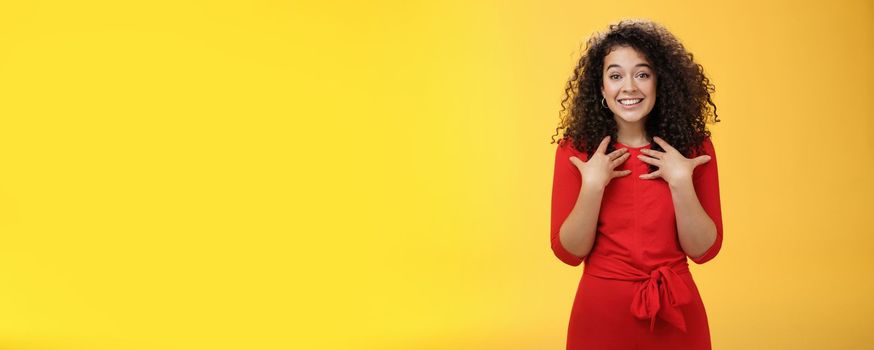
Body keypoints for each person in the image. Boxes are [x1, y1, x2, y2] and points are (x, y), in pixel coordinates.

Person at [549, 19, 724, 350]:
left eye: (642, 74)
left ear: (660, 81)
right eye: (615, 76)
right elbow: (568, 253)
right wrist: (592, 186)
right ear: (601, 88)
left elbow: (704, 251)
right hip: (600, 318)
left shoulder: (694, 149)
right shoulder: (576, 150)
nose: (629, 87)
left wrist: (681, 182)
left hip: (677, 316)